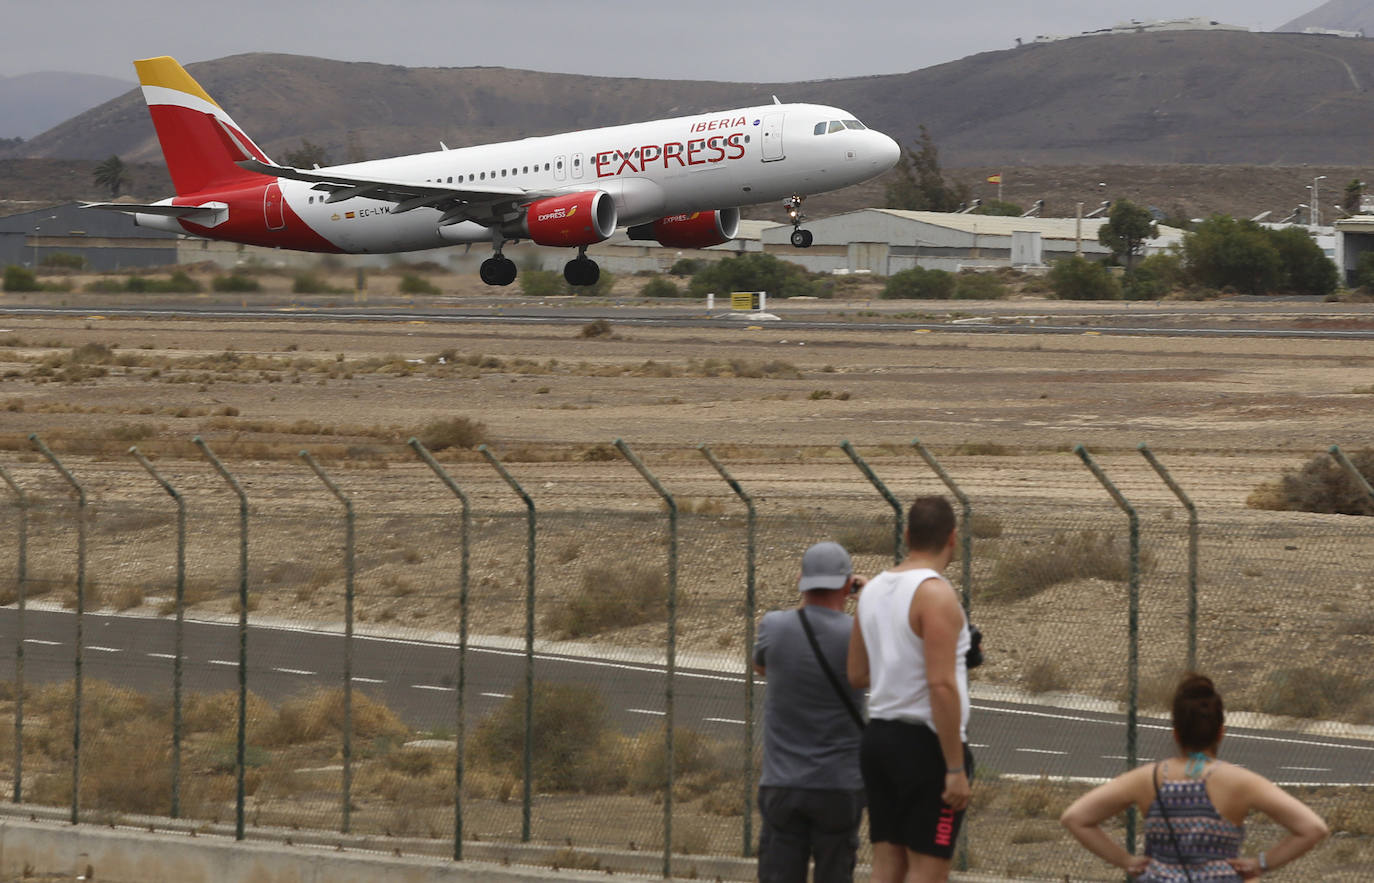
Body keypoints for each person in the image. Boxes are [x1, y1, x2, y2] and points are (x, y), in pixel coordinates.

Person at [1061, 673, 1329, 881]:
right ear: (1221, 732)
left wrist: (1127, 861)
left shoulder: (1146, 779)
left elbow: (1076, 818)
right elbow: (1313, 829)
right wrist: (1260, 863)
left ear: (1176, 733)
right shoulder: (1242, 783)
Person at [847, 496, 972, 883]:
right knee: (927, 869)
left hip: (880, 737)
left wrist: (896, 665)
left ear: (906, 535)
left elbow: (856, 673)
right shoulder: (935, 594)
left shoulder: (872, 591)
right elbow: (940, 684)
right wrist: (954, 767)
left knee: (887, 864)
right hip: (926, 746)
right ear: (953, 538)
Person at [753, 540, 868, 883]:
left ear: (801, 580)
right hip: (839, 784)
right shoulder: (857, 636)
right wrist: (869, 596)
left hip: (783, 782)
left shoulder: (773, 626)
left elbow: (762, 666)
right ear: (847, 586)